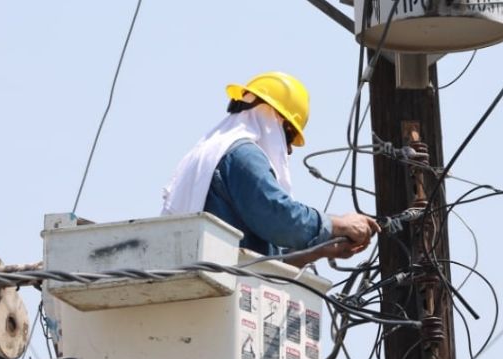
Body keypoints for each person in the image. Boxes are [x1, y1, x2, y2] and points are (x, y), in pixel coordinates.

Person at [161, 71, 379, 264]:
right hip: (227, 286)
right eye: (290, 137)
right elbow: (278, 216)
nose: (289, 150)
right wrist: (337, 225)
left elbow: (267, 255)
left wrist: (318, 249)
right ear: (279, 121)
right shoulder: (242, 155)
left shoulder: (206, 153)